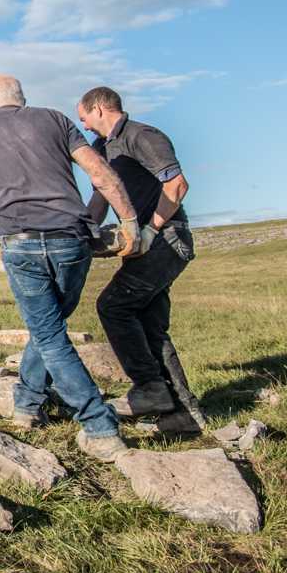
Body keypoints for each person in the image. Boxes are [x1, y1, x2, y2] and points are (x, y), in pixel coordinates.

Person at [0, 74, 145, 462]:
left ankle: (99, 427)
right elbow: (98, 172)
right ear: (22, 99)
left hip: (20, 243)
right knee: (49, 329)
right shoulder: (56, 119)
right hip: (71, 240)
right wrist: (130, 223)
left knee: (48, 334)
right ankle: (28, 404)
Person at [75, 86, 207, 433]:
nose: (85, 127)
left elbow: (177, 185)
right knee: (150, 327)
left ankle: (149, 388)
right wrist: (83, 232)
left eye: (84, 118)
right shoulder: (103, 148)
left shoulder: (141, 135)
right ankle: (184, 413)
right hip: (146, 244)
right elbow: (101, 198)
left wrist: (149, 230)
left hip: (166, 238)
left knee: (114, 306)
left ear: (99, 109)